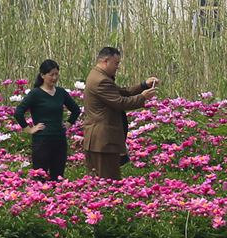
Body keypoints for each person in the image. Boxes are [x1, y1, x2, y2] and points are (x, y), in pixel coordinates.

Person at [81, 46, 158, 179]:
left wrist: (143, 85)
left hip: (99, 141)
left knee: (100, 182)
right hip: (103, 141)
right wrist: (143, 97)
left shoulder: (98, 75)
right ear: (106, 61)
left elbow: (122, 92)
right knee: (109, 182)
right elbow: (120, 102)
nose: (117, 67)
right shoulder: (101, 81)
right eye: (116, 63)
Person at [13, 59, 82, 180]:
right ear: (43, 75)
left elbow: (76, 110)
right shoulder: (35, 94)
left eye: (56, 74)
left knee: (58, 175)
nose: (54, 78)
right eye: (51, 75)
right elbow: (18, 112)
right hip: (42, 140)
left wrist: (68, 124)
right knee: (40, 175)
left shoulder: (61, 92)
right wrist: (29, 129)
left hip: (59, 138)